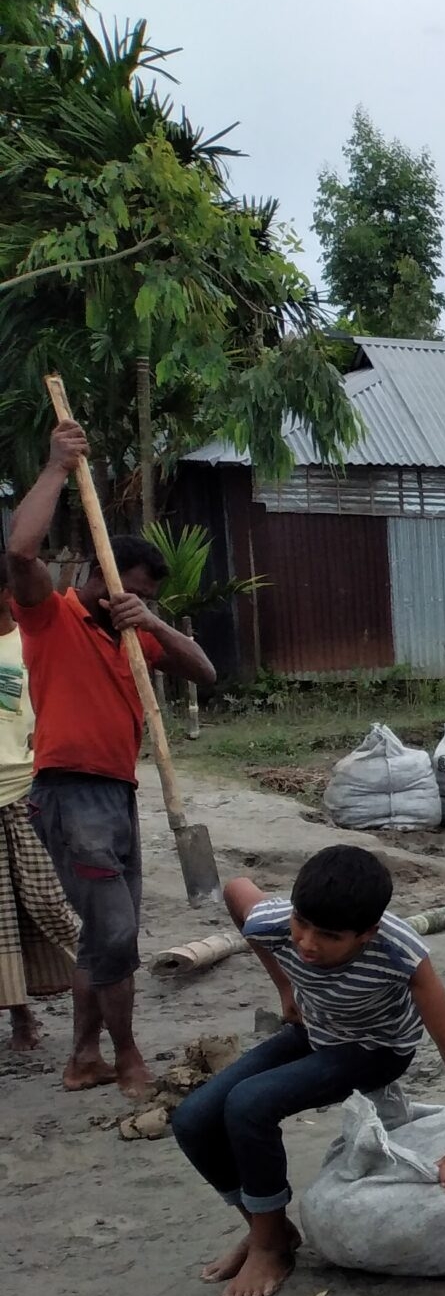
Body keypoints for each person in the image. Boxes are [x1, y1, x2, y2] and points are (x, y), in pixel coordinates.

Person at [173, 847, 445, 1296]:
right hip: (318, 1031)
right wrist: (285, 986)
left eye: (328, 936)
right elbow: (237, 890)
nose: (306, 944)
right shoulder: (278, 921)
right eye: (301, 925)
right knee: (193, 1119)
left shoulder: (399, 950)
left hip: (377, 1049)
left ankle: (268, 1249)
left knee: (248, 1104)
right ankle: (270, 1229)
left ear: (367, 934)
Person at [6, 419, 218, 1097]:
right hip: (70, 794)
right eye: (131, 591)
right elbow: (19, 553)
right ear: (101, 575)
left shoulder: (133, 636)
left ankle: (83, 1058)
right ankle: (125, 1056)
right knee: (117, 933)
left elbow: (205, 673)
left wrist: (150, 622)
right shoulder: (54, 618)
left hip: (117, 795)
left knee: (103, 933)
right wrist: (53, 470)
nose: (139, 603)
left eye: (149, 598)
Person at [0, 558, 77, 1053]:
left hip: (27, 789)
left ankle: (98, 975)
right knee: (1, 918)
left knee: (49, 901)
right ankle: (21, 1018)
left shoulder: (30, 639)